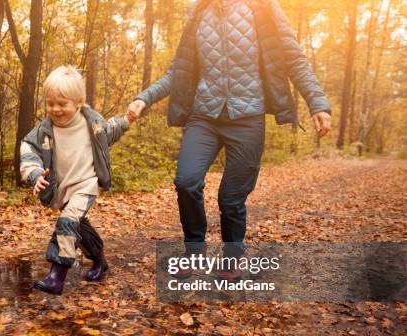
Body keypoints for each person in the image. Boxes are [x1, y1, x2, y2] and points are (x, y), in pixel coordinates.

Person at [127, 0, 332, 279]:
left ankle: (233, 258)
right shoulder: (198, 11)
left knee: (231, 198)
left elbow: (293, 58)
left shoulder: (263, 8)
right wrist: (144, 98)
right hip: (204, 116)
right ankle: (195, 251)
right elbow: (179, 71)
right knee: (186, 181)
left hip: (248, 118)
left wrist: (317, 103)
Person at [20, 65, 132, 295]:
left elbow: (110, 131)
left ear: (78, 102)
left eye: (62, 104)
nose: (56, 109)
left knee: (67, 224)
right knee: (78, 227)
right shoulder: (44, 131)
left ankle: (56, 275)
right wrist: (34, 175)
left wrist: (127, 119)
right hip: (62, 189)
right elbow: (28, 149)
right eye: (51, 103)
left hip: (85, 184)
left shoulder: (92, 123)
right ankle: (100, 260)